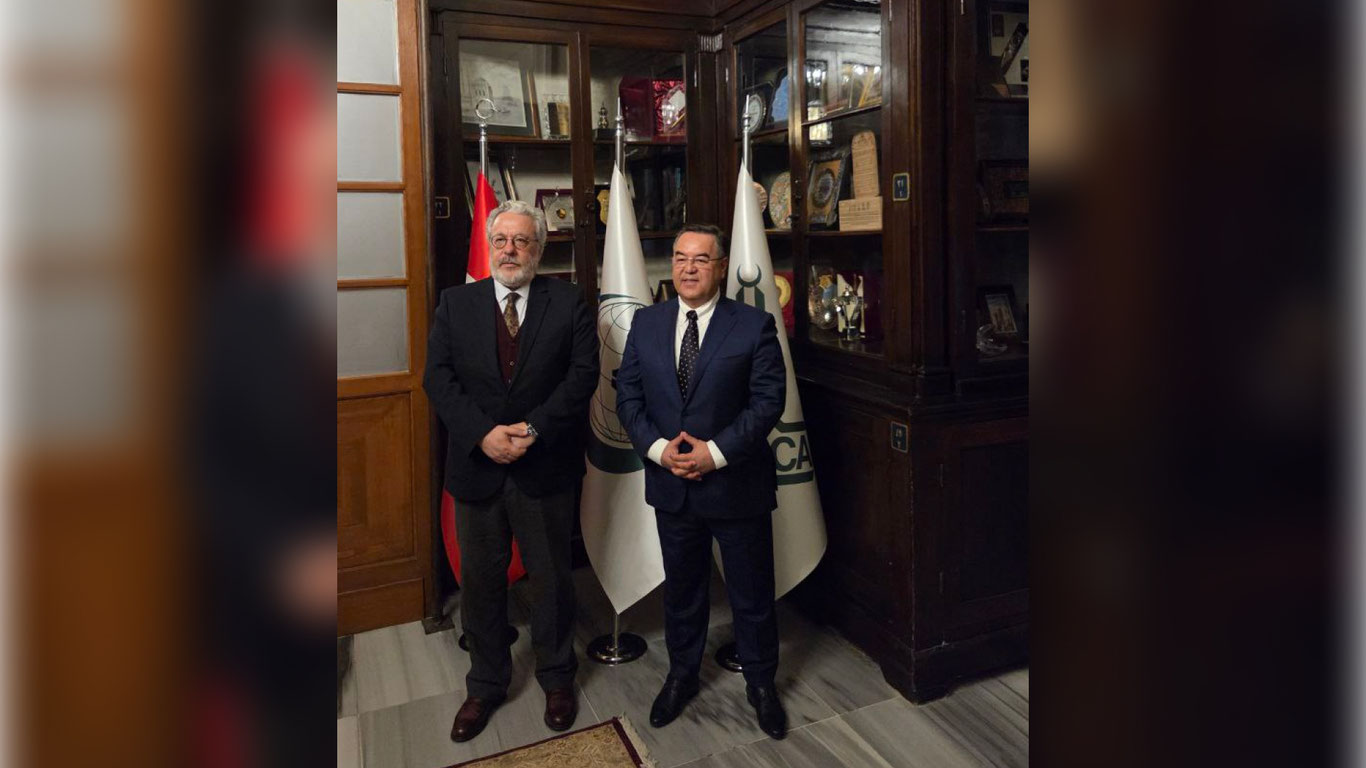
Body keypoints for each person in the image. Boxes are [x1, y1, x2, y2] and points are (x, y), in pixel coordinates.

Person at [423, 199, 598, 742]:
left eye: (522, 241)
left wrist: (534, 429)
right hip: (477, 466)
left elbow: (583, 375)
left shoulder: (568, 301)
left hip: (544, 466)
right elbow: (438, 378)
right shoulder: (456, 302)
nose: (510, 250)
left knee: (551, 579)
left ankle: (557, 677)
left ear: (539, 249)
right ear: (489, 245)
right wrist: (484, 435)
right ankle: (485, 683)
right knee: (479, 581)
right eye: (500, 240)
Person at [615, 224, 789, 740]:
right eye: (679, 258)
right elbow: (628, 397)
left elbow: (767, 403)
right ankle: (681, 677)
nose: (688, 268)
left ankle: (762, 685)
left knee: (751, 595)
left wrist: (714, 455)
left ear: (721, 266)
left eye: (700, 259)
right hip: (672, 483)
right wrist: (657, 449)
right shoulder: (647, 322)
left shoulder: (754, 325)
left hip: (736, 486)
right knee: (683, 592)